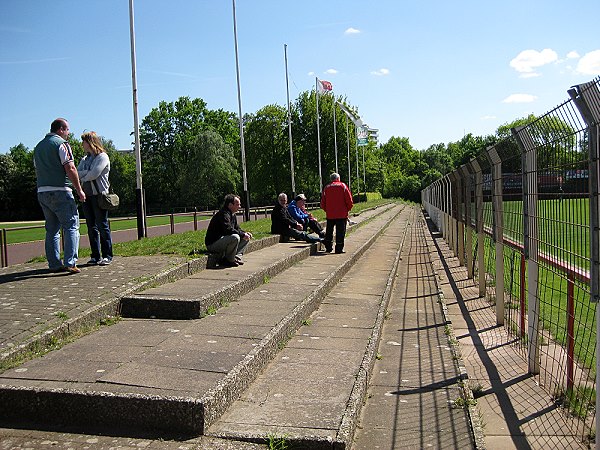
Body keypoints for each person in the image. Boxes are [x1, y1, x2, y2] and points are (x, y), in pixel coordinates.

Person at [33, 118, 86, 274]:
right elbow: (70, 167)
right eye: (68, 130)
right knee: (71, 226)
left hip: (42, 191)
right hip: (61, 191)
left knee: (52, 229)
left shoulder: (38, 147)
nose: (69, 133)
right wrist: (79, 189)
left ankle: (54, 263)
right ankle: (70, 262)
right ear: (61, 129)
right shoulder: (62, 144)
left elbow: (38, 169)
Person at [77, 131, 114, 266]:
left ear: (90, 142)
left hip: (99, 195)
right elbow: (76, 172)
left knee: (102, 225)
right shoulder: (84, 159)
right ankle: (95, 256)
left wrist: (84, 175)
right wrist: (85, 174)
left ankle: (107, 255)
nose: (82, 144)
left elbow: (94, 174)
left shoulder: (102, 157)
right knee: (90, 226)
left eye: (84, 142)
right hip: (86, 196)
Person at [205, 194, 252, 267]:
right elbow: (228, 229)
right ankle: (228, 260)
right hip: (213, 244)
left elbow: (237, 228)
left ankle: (236, 257)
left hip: (222, 240)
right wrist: (242, 235)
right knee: (235, 237)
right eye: (237, 204)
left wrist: (245, 233)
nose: (239, 207)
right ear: (230, 205)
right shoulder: (223, 214)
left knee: (246, 238)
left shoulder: (233, 214)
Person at [320, 172, 354, 254]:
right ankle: (339, 248)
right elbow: (349, 200)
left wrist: (327, 210)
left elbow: (322, 202)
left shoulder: (327, 187)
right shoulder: (343, 186)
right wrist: (348, 209)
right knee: (340, 232)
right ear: (338, 179)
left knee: (329, 231)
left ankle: (328, 247)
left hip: (330, 214)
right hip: (341, 214)